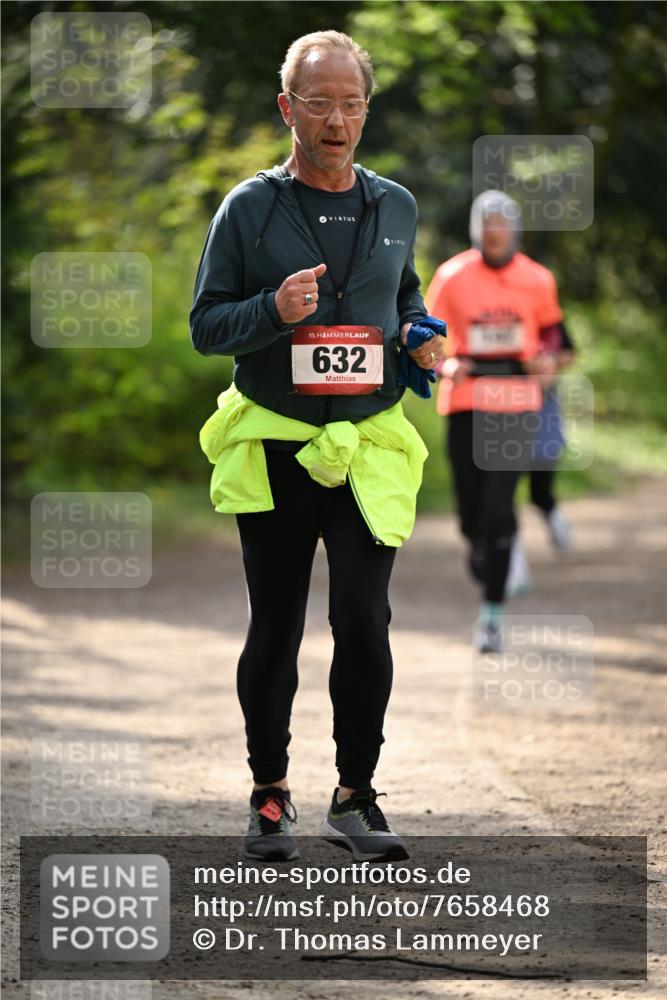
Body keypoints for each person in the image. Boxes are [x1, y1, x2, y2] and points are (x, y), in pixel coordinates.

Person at [190, 31, 444, 862]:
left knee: (365, 622)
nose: (335, 120)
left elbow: (399, 293)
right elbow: (205, 327)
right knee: (276, 626)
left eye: (350, 103)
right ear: (285, 108)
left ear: (366, 110)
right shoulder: (249, 208)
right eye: (317, 102)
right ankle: (269, 793)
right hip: (277, 443)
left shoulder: (396, 206)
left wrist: (416, 331)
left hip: (366, 442)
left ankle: (355, 795)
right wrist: (271, 311)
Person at [426, 190, 568, 653]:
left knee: (497, 505)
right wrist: (445, 366)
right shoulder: (451, 276)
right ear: (475, 228)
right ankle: (492, 548)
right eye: (487, 223)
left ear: (515, 229)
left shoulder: (538, 279)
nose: (495, 231)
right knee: (470, 517)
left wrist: (547, 360)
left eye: (503, 223)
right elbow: (427, 337)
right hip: (467, 398)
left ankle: (490, 618)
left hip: (517, 399)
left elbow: (556, 338)